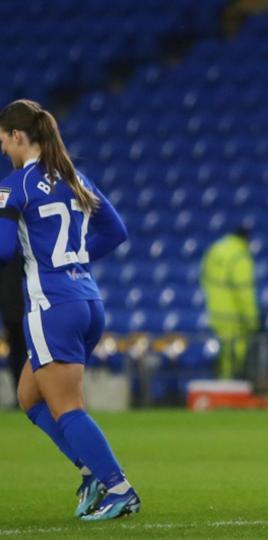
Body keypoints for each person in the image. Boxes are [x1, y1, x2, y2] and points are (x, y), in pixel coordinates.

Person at [0, 99, 136, 520]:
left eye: (3, 141)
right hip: (87, 301)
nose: (3, 149)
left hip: (52, 306)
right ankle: (90, 471)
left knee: (67, 407)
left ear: (18, 137)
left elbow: (4, 249)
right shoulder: (74, 176)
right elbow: (116, 230)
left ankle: (119, 487)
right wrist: (76, 259)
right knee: (29, 396)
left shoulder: (14, 184)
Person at [200, 226, 259, 379]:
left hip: (213, 315)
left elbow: (203, 278)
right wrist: (252, 321)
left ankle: (220, 386)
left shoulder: (215, 250)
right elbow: (244, 292)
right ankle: (227, 391)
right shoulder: (240, 256)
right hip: (235, 319)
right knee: (234, 359)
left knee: (221, 357)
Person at [1, 253, 27, 393]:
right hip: (13, 311)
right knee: (17, 353)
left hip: (22, 309)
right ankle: (20, 392)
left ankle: (26, 393)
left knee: (22, 353)